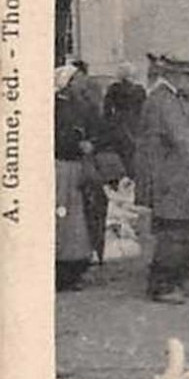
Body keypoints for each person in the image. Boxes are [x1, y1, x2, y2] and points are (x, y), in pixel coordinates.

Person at [134, 56, 189, 306]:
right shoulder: (163, 101)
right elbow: (181, 136)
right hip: (170, 177)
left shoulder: (176, 99)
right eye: (187, 76)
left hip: (184, 176)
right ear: (174, 75)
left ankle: (179, 278)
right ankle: (162, 285)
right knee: (174, 230)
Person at [55, 66, 102, 290]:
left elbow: (96, 129)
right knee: (65, 220)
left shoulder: (82, 105)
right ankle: (63, 269)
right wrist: (76, 144)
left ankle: (75, 266)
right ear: (69, 83)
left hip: (77, 166)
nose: (83, 84)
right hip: (62, 165)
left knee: (77, 220)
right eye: (78, 80)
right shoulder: (56, 105)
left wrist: (91, 142)